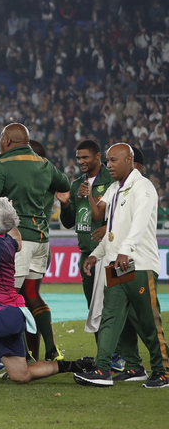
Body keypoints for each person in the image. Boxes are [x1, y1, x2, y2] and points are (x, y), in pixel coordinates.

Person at [0, 199, 93, 387]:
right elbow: (18, 242)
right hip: (13, 312)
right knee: (21, 375)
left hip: (2, 312)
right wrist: (9, 217)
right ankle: (76, 365)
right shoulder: (8, 240)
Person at [75, 143, 168, 388]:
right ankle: (104, 369)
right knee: (112, 317)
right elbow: (110, 228)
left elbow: (139, 224)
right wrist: (96, 254)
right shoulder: (115, 188)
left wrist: (125, 251)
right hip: (118, 264)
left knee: (148, 321)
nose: (109, 165)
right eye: (107, 161)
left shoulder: (143, 187)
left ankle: (164, 370)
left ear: (130, 160)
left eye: (114, 160)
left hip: (139, 264)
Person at [0, 124, 71, 362]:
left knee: (4, 301)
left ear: (7, 140)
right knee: (32, 295)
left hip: (18, 240)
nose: (0, 142)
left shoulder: (2, 165)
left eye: (1, 138)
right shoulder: (44, 164)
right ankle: (47, 350)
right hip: (42, 239)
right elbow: (65, 185)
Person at [57, 141, 120, 354]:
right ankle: (105, 355)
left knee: (114, 307)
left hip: (110, 254)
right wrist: (65, 204)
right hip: (87, 255)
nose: (81, 161)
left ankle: (121, 354)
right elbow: (68, 222)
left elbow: (122, 213)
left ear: (97, 156)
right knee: (94, 309)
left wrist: (107, 227)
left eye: (85, 157)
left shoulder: (112, 180)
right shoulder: (76, 185)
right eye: (78, 158)